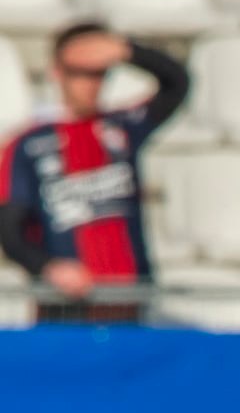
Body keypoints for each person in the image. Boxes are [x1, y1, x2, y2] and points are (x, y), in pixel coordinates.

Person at [0, 23, 189, 322]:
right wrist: (48, 267)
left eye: (99, 73)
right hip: (64, 307)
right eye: (80, 73)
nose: (91, 84)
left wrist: (127, 50)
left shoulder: (123, 127)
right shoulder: (27, 145)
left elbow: (177, 84)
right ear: (57, 72)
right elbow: (11, 230)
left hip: (131, 299)